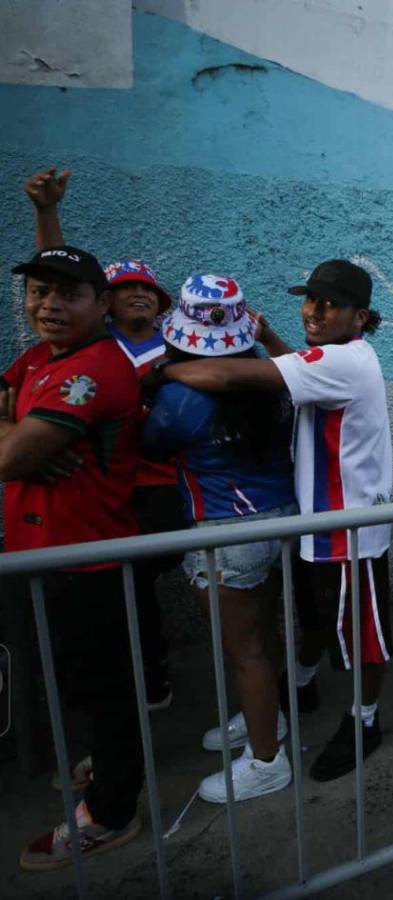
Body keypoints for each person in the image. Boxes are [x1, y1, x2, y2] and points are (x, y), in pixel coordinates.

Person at [155, 259, 393, 784]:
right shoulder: (329, 359)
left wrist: (162, 368)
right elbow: (299, 370)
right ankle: (300, 689)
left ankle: (365, 720)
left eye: (330, 304)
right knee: (316, 621)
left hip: (347, 529)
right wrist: (271, 337)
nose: (314, 310)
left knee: (360, 640)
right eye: (310, 299)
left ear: (360, 317)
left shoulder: (347, 361)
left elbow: (222, 373)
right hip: (315, 524)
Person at [1, 247, 144, 870]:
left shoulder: (92, 370)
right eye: (39, 292)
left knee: (105, 692)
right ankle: (105, 768)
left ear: (101, 303)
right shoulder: (42, 357)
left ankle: (112, 812)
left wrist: (20, 438)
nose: (49, 305)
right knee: (79, 684)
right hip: (44, 555)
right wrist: (20, 431)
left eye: (68, 294)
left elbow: (8, 463)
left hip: (88, 561)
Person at [23, 166, 182, 711]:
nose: (138, 295)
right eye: (125, 288)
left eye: (148, 289)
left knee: (131, 587)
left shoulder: (178, 349)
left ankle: (145, 679)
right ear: (103, 304)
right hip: (102, 490)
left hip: (158, 488)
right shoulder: (90, 345)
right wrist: (47, 215)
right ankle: (137, 684)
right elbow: (56, 279)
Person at [142, 275, 297, 802]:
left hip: (225, 534)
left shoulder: (178, 398)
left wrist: (160, 378)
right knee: (265, 634)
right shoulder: (275, 381)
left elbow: (152, 446)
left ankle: (267, 761)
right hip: (282, 522)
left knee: (245, 651)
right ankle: (266, 724)